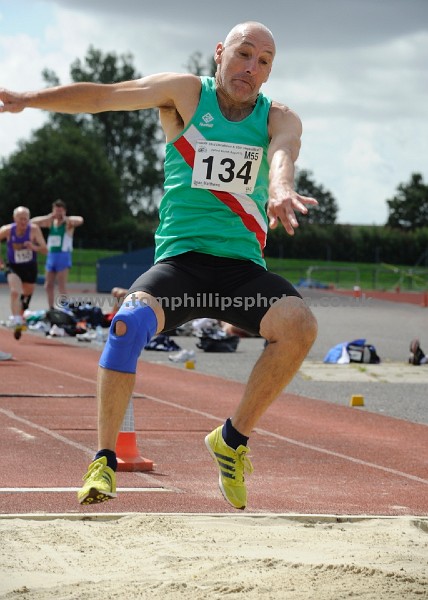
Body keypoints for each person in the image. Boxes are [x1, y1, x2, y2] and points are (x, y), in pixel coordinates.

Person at [0, 21, 318, 509]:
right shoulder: (186, 95)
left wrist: (279, 188)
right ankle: (104, 461)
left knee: (300, 326)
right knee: (126, 324)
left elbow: (282, 154)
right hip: (181, 267)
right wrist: (27, 98)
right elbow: (105, 96)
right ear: (220, 52)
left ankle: (232, 439)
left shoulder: (279, 117)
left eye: (264, 62)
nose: (251, 68)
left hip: (240, 272)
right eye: (244, 54)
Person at [0, 207, 48, 339]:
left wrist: (34, 247)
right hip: (13, 265)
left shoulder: (34, 230)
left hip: (29, 267)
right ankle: (16, 321)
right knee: (15, 291)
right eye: (20, 219)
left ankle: (20, 317)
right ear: (14, 219)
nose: (23, 222)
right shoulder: (7, 230)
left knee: (26, 296)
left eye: (26, 219)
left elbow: (45, 250)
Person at [31, 199, 84, 308]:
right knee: (48, 285)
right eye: (56, 211)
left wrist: (65, 218)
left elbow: (80, 220)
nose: (58, 213)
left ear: (64, 211)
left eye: (60, 211)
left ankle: (65, 308)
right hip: (51, 256)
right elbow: (32, 222)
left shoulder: (68, 224)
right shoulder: (51, 223)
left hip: (63, 256)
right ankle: (51, 307)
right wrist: (48, 217)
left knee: (61, 285)